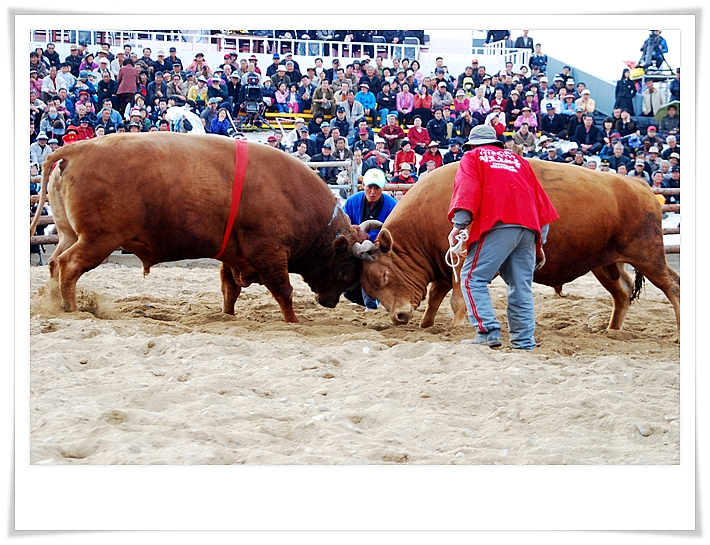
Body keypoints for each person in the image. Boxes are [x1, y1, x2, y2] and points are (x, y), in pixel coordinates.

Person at [448, 124, 559, 349]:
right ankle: (523, 341)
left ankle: (487, 330)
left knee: (471, 278)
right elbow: (542, 204)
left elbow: (467, 190)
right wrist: (541, 242)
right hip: (529, 227)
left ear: (471, 145)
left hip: (497, 223)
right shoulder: (520, 162)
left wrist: (458, 226)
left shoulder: (473, 157)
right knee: (521, 285)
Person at [343, 168, 398, 309]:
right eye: (369, 187)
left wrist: (378, 244)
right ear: (363, 186)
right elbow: (344, 226)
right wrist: (355, 239)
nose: (372, 192)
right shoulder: (351, 202)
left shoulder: (392, 205)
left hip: (382, 250)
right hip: (356, 247)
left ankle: (372, 305)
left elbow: (395, 232)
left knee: (369, 264)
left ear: (383, 188)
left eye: (377, 188)